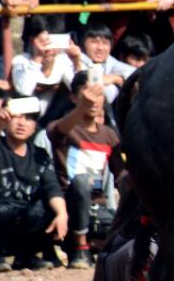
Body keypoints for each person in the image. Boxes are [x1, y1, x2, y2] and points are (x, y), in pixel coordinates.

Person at [46, 72, 121, 268]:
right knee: (82, 180)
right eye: (87, 94)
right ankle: (80, 249)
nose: (93, 100)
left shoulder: (109, 135)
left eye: (98, 94)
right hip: (70, 206)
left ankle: (97, 244)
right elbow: (58, 131)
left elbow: (121, 174)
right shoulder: (64, 126)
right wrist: (81, 108)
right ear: (73, 97)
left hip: (98, 208)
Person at [0, 97, 67, 272]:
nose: (22, 123)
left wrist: (62, 213)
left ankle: (26, 257)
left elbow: (52, 186)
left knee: (50, 207)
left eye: (29, 118)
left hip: (26, 221)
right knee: (2, 211)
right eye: (17, 117)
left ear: (35, 125)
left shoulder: (39, 155)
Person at [11, 16, 79, 117]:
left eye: (53, 41)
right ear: (32, 41)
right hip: (26, 119)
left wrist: (77, 61)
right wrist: (38, 57)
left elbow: (79, 87)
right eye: (44, 41)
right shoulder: (21, 60)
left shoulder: (62, 61)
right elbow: (24, 92)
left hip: (53, 119)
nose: (49, 47)